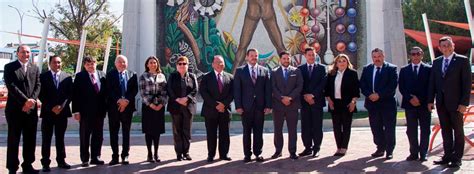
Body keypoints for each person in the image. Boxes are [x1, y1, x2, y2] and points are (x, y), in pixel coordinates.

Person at [428, 36, 471, 168]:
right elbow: (433, 83)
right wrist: (430, 100)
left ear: (453, 46)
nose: (446, 48)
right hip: (441, 103)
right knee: (445, 131)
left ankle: (457, 158)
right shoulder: (436, 62)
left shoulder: (462, 61)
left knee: (458, 131)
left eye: (448, 45)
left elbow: (466, 83)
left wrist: (464, 103)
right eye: (443, 46)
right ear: (440, 48)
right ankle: (447, 156)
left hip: (457, 104)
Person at [4, 45, 41, 173]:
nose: (26, 54)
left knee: (30, 139)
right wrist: (25, 101)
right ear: (17, 53)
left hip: (31, 111)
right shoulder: (10, 67)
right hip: (15, 110)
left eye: (28, 52)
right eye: (23, 52)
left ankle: (28, 165)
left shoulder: (35, 68)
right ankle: (12, 167)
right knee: (14, 139)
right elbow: (11, 86)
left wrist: (32, 101)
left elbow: (38, 85)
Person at [234, 48, 272, 163]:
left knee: (258, 132)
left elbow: (268, 90)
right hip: (246, 107)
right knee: (247, 132)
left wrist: (268, 105)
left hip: (260, 107)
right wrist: (238, 106)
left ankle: (258, 153)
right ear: (247, 57)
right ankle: (247, 154)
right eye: (252, 56)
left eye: (256, 56)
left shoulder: (264, 71)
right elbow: (237, 90)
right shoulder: (240, 71)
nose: (254, 58)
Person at [360, 48, 398, 160]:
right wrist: (369, 95)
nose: (377, 59)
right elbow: (363, 84)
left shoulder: (391, 69)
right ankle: (380, 148)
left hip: (387, 104)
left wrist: (379, 95)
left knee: (389, 128)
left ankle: (389, 150)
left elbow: (392, 86)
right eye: (374, 57)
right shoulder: (367, 69)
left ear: (383, 56)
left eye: (379, 56)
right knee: (375, 128)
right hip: (372, 104)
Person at [39, 55, 73, 172]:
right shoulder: (43, 77)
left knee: (60, 138)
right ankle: (45, 163)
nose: (57, 65)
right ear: (49, 64)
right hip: (48, 112)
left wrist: (61, 106)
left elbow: (70, 94)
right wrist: (51, 107)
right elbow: (41, 94)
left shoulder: (67, 77)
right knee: (46, 139)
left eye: (59, 62)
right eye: (54, 62)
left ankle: (61, 161)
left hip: (62, 113)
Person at [72, 56, 107, 167]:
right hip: (85, 112)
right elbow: (75, 95)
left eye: (92, 63)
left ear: (96, 64)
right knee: (85, 135)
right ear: (84, 65)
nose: (90, 66)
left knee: (98, 135)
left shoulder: (102, 75)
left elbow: (105, 93)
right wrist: (76, 111)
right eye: (88, 64)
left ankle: (96, 157)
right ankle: (85, 158)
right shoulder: (80, 76)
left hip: (99, 111)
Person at [398, 47, 431, 162]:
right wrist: (410, 98)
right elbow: (401, 86)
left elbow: (431, 87)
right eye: (413, 54)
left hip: (424, 104)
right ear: (410, 56)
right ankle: (413, 153)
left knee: (425, 129)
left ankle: (423, 153)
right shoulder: (404, 69)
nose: (415, 56)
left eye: (418, 54)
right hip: (409, 104)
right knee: (411, 130)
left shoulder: (428, 69)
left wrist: (420, 99)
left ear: (422, 55)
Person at [200, 55, 234, 162]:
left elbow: (232, 93)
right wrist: (216, 105)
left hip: (225, 110)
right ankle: (211, 154)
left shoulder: (230, 77)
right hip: (210, 110)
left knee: (225, 134)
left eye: (222, 63)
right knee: (211, 134)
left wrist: (223, 104)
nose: (220, 65)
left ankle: (224, 154)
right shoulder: (206, 77)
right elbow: (204, 93)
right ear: (213, 64)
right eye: (217, 62)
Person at [325, 54, 360, 156]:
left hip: (347, 104)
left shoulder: (352, 73)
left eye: (344, 61)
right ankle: (338, 147)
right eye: (339, 61)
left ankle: (344, 147)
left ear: (347, 62)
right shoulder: (331, 74)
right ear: (336, 63)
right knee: (336, 127)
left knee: (346, 126)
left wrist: (353, 102)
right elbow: (327, 90)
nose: (341, 63)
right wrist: (329, 101)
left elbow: (356, 90)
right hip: (334, 104)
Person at [106, 55, 138, 165]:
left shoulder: (133, 74)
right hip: (114, 108)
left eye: (124, 62)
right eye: (119, 62)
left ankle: (125, 156)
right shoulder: (110, 75)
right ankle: (115, 156)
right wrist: (119, 100)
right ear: (115, 64)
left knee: (126, 132)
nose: (122, 64)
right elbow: (109, 90)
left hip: (127, 108)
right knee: (113, 133)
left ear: (127, 64)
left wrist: (126, 101)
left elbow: (134, 90)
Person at [270, 51, 303, 160]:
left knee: (292, 130)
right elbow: (273, 87)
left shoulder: (296, 71)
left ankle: (292, 151)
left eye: (288, 58)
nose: (286, 60)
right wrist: (281, 98)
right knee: (278, 129)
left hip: (292, 105)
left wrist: (290, 98)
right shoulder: (274, 72)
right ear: (280, 60)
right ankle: (278, 151)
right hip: (278, 106)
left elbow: (299, 86)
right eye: (284, 58)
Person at [167, 56, 198, 161]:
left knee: (187, 131)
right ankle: (179, 153)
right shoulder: (172, 76)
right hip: (175, 106)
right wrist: (177, 99)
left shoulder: (192, 76)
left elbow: (195, 89)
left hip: (188, 107)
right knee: (177, 131)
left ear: (187, 65)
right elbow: (169, 89)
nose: (182, 65)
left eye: (184, 63)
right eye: (180, 64)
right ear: (176, 66)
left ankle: (186, 152)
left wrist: (187, 99)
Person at [297, 47, 327, 158]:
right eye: (309, 55)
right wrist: (305, 95)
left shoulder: (322, 68)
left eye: (313, 55)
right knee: (305, 126)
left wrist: (312, 95)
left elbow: (322, 84)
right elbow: (299, 84)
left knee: (317, 126)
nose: (311, 57)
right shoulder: (300, 69)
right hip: (304, 102)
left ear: (316, 55)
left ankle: (316, 148)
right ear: (305, 56)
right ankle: (307, 148)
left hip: (317, 101)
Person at [139, 56, 168, 163]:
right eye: (150, 63)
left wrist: (161, 104)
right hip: (148, 107)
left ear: (157, 64)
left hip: (159, 106)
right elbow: (142, 93)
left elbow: (165, 91)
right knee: (148, 131)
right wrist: (151, 104)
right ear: (147, 64)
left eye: (154, 62)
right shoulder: (143, 76)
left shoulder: (161, 76)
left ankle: (156, 153)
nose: (153, 64)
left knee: (157, 131)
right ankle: (149, 153)